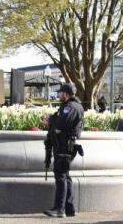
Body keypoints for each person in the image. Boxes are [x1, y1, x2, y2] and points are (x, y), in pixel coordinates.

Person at [43, 84, 84, 218]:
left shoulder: (70, 107)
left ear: (66, 94)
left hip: (64, 146)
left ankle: (59, 209)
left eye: (60, 93)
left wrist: (50, 120)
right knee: (65, 176)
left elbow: (61, 124)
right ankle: (69, 208)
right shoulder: (73, 106)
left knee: (60, 175)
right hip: (65, 145)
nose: (59, 95)